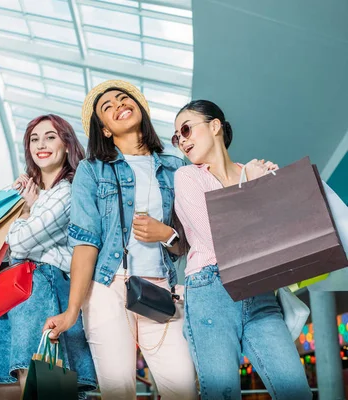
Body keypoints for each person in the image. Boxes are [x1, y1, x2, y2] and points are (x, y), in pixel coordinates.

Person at [43, 80, 197, 400]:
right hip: (107, 288)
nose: (118, 105)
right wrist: (72, 311)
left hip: (159, 289)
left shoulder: (175, 167)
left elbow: (190, 241)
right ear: (106, 129)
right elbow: (86, 242)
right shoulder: (92, 170)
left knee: (182, 388)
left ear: (139, 108)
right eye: (107, 107)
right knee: (118, 392)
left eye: (123, 98)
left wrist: (166, 234)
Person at [172, 100, 312, 399]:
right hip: (211, 291)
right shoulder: (188, 177)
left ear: (214, 125)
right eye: (176, 137)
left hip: (261, 293)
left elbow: (278, 236)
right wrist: (252, 186)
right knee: (221, 393)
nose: (182, 140)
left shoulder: (254, 171)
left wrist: (270, 186)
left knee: (295, 389)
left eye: (185, 129)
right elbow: (216, 237)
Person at [0, 114, 96, 399]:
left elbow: (18, 244)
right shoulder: (31, 190)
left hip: (42, 286)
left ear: (67, 145)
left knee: (40, 383)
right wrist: (16, 194)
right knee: (4, 389)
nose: (41, 144)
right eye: (34, 139)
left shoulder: (67, 191)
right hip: (17, 291)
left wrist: (25, 211)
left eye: (50, 137)